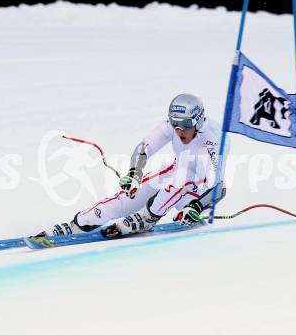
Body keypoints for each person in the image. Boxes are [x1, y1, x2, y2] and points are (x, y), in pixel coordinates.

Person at [36, 93, 228, 239]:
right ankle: (78, 224)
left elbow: (219, 187)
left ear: (198, 120)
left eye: (184, 124)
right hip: (174, 179)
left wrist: (196, 206)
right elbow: (145, 147)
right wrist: (135, 174)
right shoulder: (174, 128)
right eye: (174, 123)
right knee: (126, 198)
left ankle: (147, 217)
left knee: (184, 173)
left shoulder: (214, 139)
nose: (178, 130)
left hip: (199, 193)